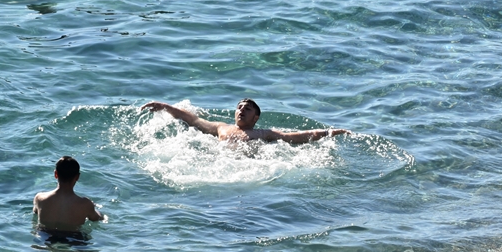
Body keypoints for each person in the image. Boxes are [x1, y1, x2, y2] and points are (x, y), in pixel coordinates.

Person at [141, 97, 350, 145]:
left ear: (255, 117)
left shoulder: (264, 133)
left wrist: (330, 132)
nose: (241, 110)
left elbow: (296, 137)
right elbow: (193, 120)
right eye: (239, 107)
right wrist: (165, 106)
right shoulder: (220, 127)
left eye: (247, 109)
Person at [33, 156, 104, 232]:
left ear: (56, 174)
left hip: (45, 236)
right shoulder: (85, 204)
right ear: (77, 177)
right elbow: (98, 219)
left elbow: (35, 214)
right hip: (73, 238)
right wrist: (93, 206)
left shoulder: (40, 198)